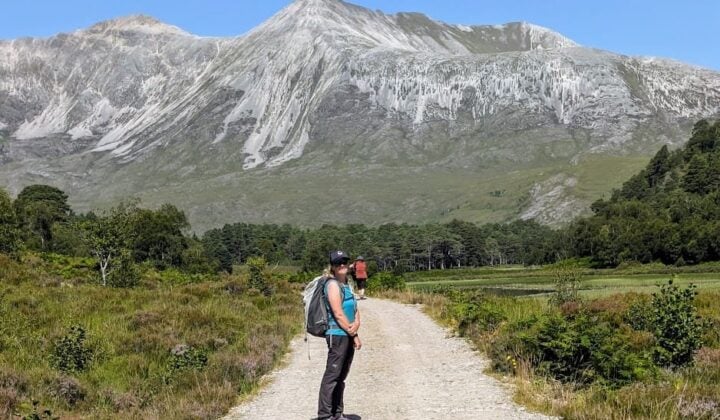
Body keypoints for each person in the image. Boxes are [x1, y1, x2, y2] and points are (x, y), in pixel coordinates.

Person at [317, 250, 362, 420]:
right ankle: (325, 415)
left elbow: (355, 311)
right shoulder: (332, 285)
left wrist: (355, 329)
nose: (342, 265)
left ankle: (337, 413)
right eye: (338, 263)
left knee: (341, 377)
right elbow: (338, 313)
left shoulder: (346, 285)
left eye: (344, 262)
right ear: (333, 267)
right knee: (332, 376)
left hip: (347, 334)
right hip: (337, 334)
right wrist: (353, 333)